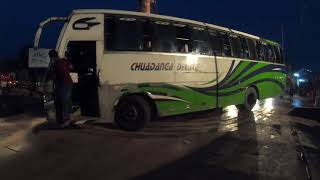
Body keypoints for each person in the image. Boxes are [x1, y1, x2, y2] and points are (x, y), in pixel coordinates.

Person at [49, 50, 73, 127]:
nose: (51, 59)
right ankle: (61, 120)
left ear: (52, 57)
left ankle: (66, 120)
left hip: (65, 83)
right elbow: (71, 67)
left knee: (64, 101)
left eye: (51, 57)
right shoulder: (63, 61)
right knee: (60, 101)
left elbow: (54, 77)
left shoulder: (55, 64)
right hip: (64, 83)